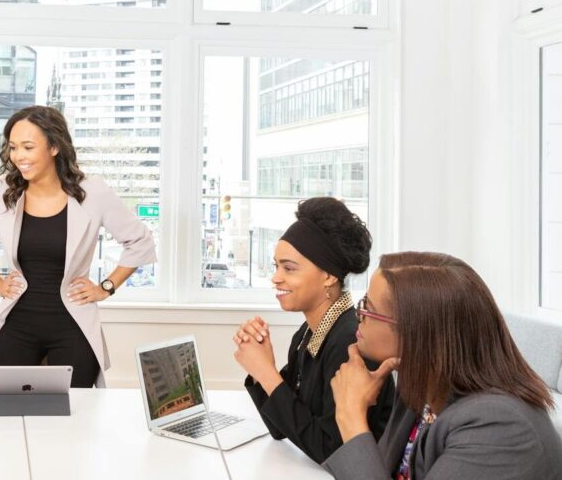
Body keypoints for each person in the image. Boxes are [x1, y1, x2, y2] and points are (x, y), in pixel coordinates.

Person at [0, 105, 156, 388]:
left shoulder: (92, 191)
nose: (19, 157)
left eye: (28, 147)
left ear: (53, 147)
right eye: (13, 148)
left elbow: (140, 241)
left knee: (74, 417)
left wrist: (106, 287)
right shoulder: (4, 190)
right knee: (2, 409)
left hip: (73, 325)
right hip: (19, 321)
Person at [327, 252, 562, 479]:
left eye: (370, 308)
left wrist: (351, 416)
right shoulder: (419, 389)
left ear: (417, 332)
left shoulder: (500, 428)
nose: (360, 314)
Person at [232, 197, 394, 463]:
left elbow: (332, 452)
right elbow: (280, 427)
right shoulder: (308, 334)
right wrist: (261, 368)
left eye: (289, 268)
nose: (275, 277)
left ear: (329, 275)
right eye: (276, 266)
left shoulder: (349, 343)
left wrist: (266, 373)